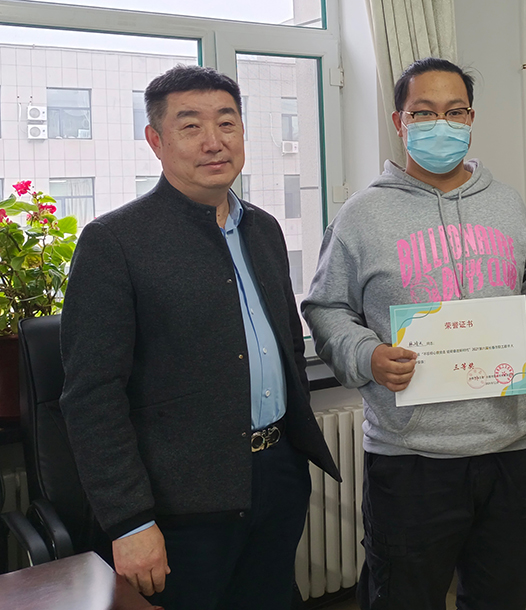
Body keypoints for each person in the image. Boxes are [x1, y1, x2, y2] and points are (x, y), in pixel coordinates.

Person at [301, 57, 526, 610]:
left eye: (454, 111)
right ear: (400, 121)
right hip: (411, 457)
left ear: (471, 118)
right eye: (423, 113)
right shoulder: (362, 214)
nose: (440, 124)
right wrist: (367, 354)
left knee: (503, 597)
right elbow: (325, 307)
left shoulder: (506, 203)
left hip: (509, 446)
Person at [59, 64, 339, 610]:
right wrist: (130, 520)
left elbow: (285, 343)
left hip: (277, 475)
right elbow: (92, 397)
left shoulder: (263, 229)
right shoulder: (115, 241)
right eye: (190, 126)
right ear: (155, 141)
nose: (214, 141)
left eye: (227, 123)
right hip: (179, 503)